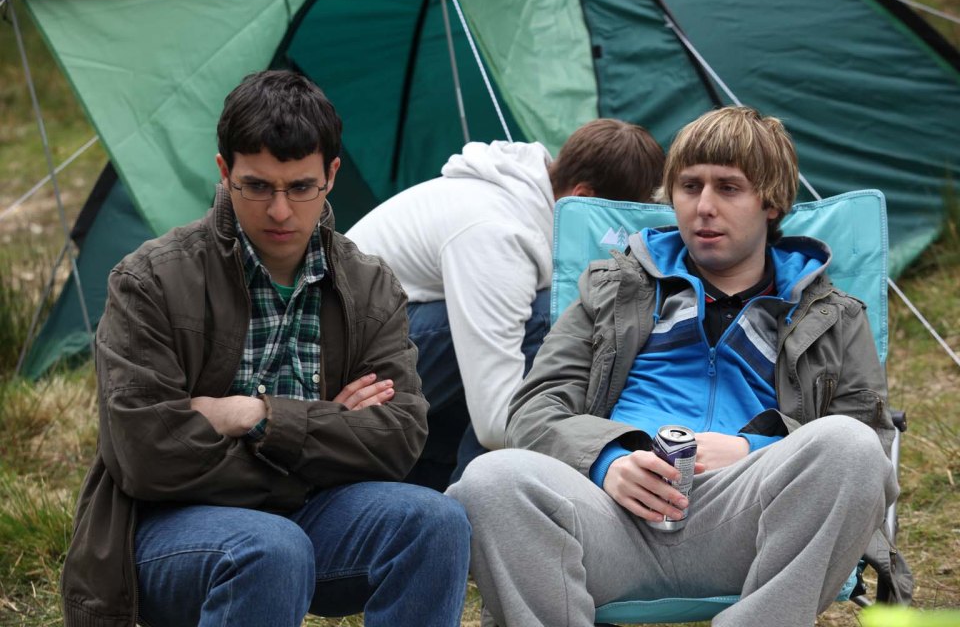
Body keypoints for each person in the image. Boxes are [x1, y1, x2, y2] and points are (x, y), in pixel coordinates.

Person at [447, 106, 905, 627]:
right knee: (490, 478)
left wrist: (753, 448)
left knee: (849, 445)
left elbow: (870, 437)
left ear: (771, 202)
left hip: (749, 521)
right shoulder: (614, 287)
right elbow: (534, 408)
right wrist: (607, 460)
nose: (703, 208)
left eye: (728, 188)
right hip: (611, 516)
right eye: (689, 187)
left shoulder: (832, 315)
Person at [60, 70, 471, 627]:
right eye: (257, 186)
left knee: (436, 520)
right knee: (272, 547)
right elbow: (145, 456)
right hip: (168, 531)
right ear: (225, 172)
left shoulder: (370, 284)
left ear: (330, 174)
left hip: (315, 518)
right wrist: (325, 432)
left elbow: (398, 440)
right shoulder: (149, 280)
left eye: (300, 187)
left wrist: (253, 415)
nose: (280, 211)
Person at [347, 119, 665, 489]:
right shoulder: (498, 233)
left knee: (536, 323)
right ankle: (476, 514)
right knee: (550, 319)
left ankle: (437, 487)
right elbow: (497, 419)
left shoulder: (525, 193)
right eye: (618, 223)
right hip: (348, 370)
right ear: (583, 196)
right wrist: (589, 447)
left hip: (393, 342)